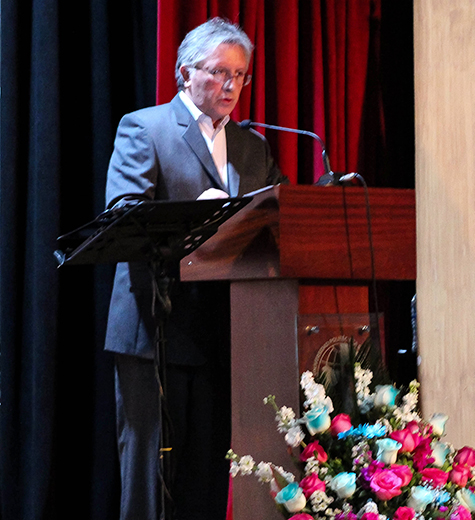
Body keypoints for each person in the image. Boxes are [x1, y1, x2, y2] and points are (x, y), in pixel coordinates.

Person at [104, 18, 286, 520]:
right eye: (219, 73)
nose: (231, 86)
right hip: (155, 329)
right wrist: (197, 214)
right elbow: (122, 214)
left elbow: (278, 219)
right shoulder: (146, 127)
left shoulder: (252, 146)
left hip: (226, 333)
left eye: (241, 75)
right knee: (149, 480)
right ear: (186, 72)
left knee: (208, 478)